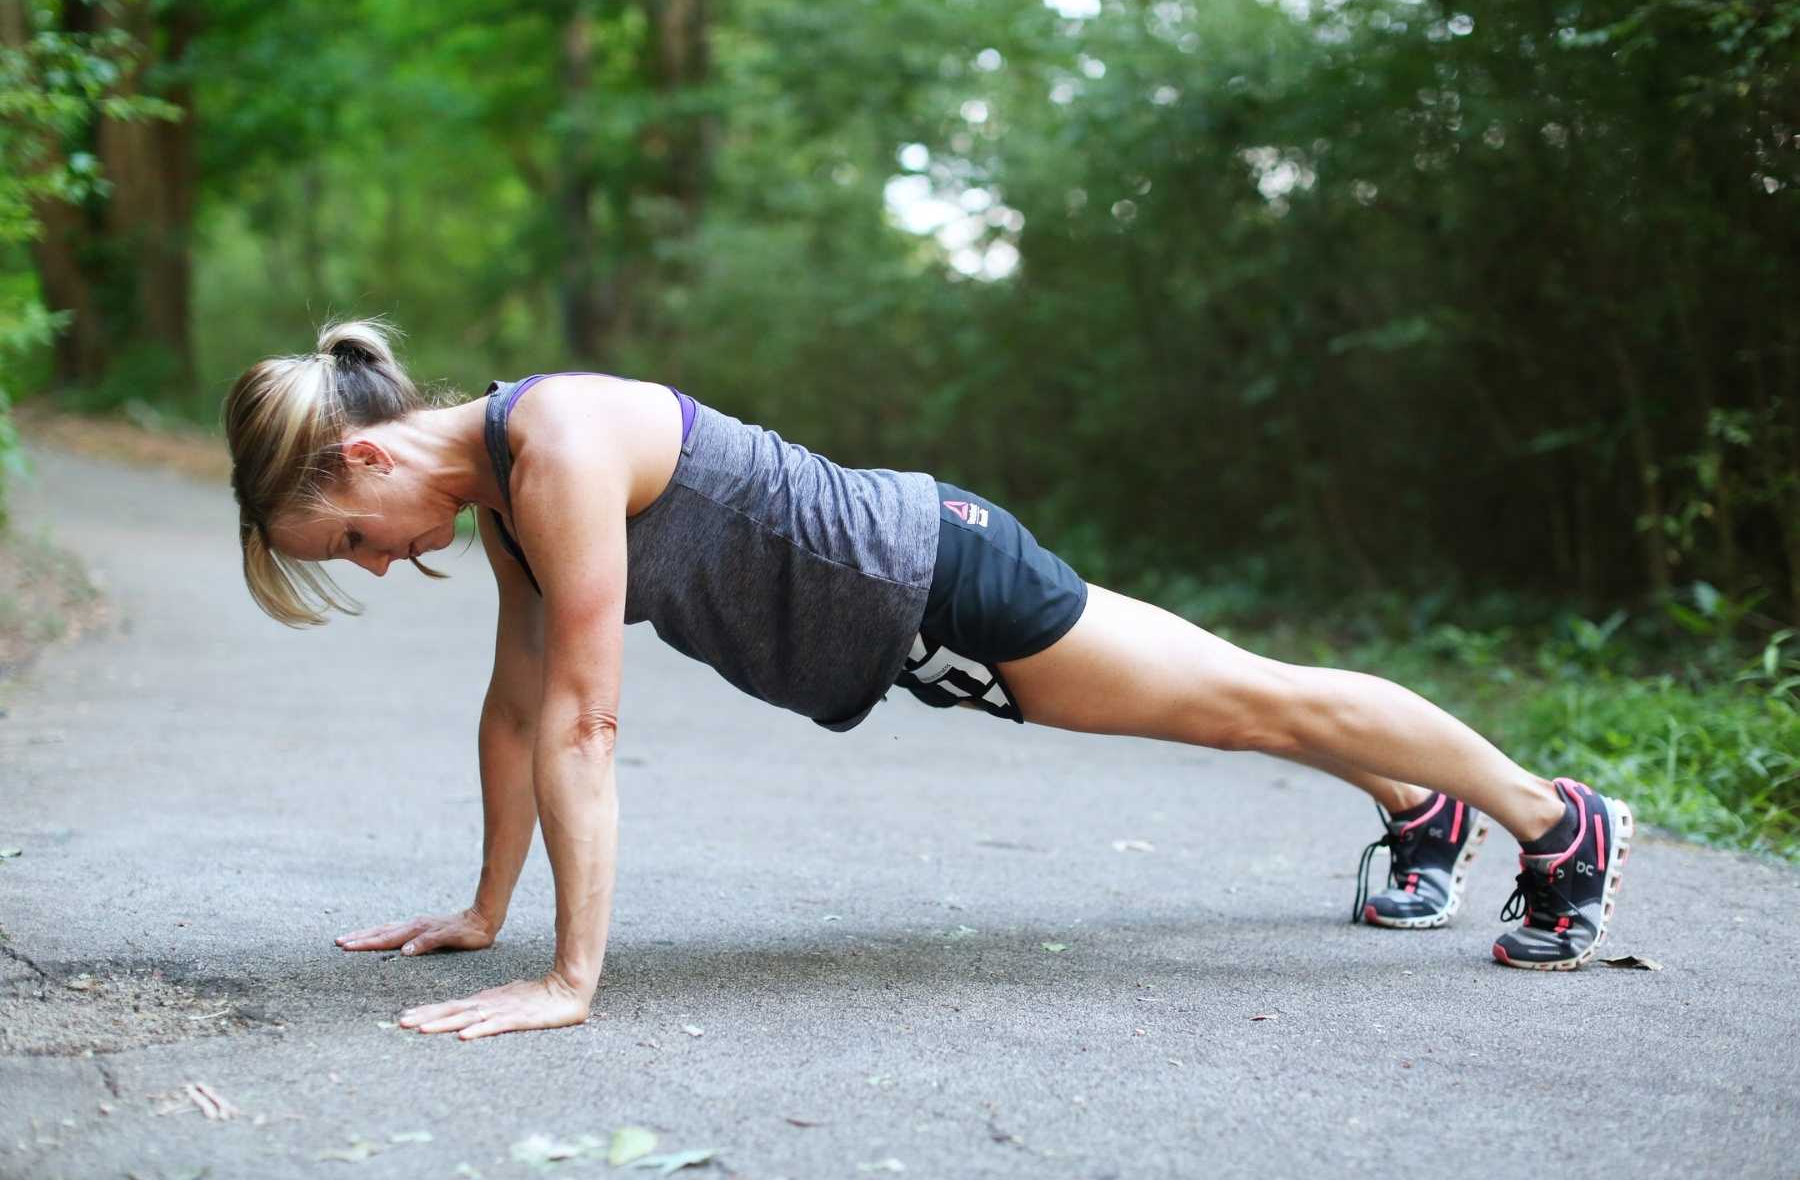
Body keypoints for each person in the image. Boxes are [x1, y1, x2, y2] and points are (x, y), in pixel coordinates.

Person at [222, 318, 1634, 1040]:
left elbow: (585, 721)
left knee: (1249, 698)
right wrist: (485, 912)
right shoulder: (511, 503)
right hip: (915, 610)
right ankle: (1417, 805)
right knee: (1234, 704)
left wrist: (573, 980)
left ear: (365, 455)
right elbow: (516, 707)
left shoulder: (563, 445)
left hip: (944, 578)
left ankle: (1553, 820)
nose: (376, 561)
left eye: (348, 539)